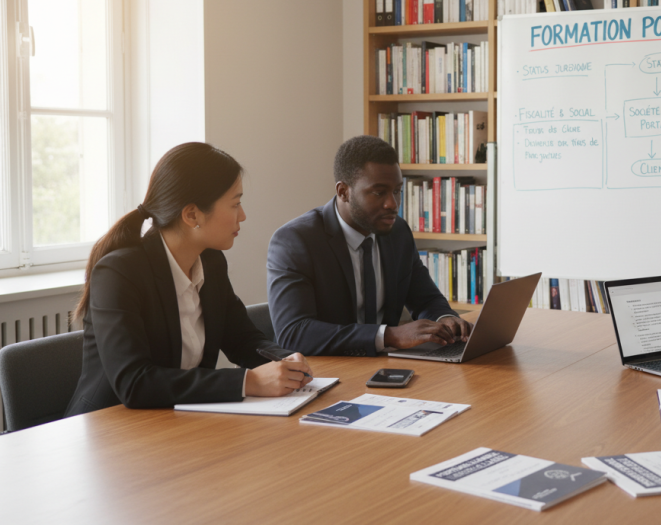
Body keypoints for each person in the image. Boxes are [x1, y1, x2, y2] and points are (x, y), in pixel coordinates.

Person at [66, 143, 312, 417]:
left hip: (177, 422)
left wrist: (282, 358)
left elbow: (241, 338)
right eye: (235, 203)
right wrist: (249, 382)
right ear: (192, 214)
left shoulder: (211, 261)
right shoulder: (119, 273)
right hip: (111, 429)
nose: (242, 215)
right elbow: (135, 382)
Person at [267, 136, 472, 357]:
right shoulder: (295, 241)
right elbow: (294, 333)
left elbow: (426, 298)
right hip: (325, 372)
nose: (392, 204)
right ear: (343, 191)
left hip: (386, 368)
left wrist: (445, 319)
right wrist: (389, 336)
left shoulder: (398, 233)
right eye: (378, 192)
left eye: (397, 191)